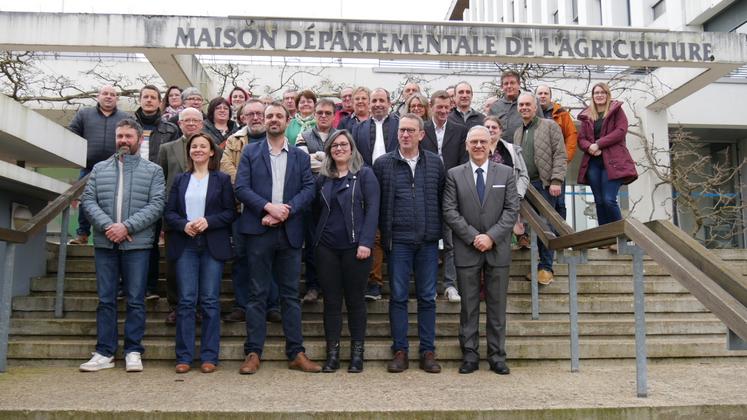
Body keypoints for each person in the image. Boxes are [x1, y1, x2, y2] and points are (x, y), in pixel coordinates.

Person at [234, 101, 320, 374]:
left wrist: (286, 211)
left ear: (287, 120)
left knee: (290, 296)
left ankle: (296, 352)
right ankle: (253, 353)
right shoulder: (250, 152)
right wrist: (268, 207)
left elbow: (309, 189)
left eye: (278, 116)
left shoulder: (300, 156)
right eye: (269, 116)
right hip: (259, 230)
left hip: (290, 232)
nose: (273, 120)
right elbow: (241, 187)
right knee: (257, 294)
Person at [78, 119, 165, 372]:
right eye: (120, 136)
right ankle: (104, 352)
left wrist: (126, 227)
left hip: (137, 245)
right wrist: (110, 227)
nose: (123, 141)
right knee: (106, 299)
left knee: (136, 299)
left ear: (139, 139)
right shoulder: (99, 168)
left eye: (128, 136)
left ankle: (133, 350)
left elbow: (157, 205)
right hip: (106, 244)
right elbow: (88, 201)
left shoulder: (153, 171)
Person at [443, 125, 519, 375]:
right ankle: (470, 354)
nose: (478, 146)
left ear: (490, 145)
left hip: (497, 249)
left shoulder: (507, 173)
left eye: (482, 142)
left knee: (497, 307)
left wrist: (492, 237)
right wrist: (475, 237)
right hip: (467, 248)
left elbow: (511, 210)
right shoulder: (454, 174)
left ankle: (497, 356)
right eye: (473, 141)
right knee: (469, 307)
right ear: (466, 145)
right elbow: (450, 211)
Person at [374, 113, 445, 374]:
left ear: (421, 134)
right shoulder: (383, 164)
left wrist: (438, 235)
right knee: (399, 297)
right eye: (401, 130)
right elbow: (377, 202)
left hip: (427, 241)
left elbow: (440, 199)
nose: (404, 134)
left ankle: (427, 351)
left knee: (427, 297)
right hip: (398, 242)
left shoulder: (435, 164)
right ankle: (400, 350)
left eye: (410, 130)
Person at [165, 133, 236, 374]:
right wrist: (183, 224)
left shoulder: (222, 180)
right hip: (186, 245)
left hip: (211, 245)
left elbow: (229, 213)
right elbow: (170, 212)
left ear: (212, 151)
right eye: (193, 146)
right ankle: (184, 356)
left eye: (202, 146)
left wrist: (209, 221)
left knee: (209, 301)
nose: (198, 150)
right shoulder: (180, 180)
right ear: (189, 152)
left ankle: (209, 356)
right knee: (186, 301)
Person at [313, 130, 380, 373]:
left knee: (355, 302)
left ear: (351, 149)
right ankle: (332, 355)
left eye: (344, 144)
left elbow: (373, 210)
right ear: (329, 150)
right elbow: (315, 213)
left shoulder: (365, 175)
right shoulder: (323, 179)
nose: (339, 148)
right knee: (331, 302)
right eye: (335, 145)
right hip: (327, 249)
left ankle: (357, 355)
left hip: (356, 249)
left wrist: (365, 242)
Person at [159, 108, 223, 324]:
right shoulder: (166, 149)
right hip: (177, 216)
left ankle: (197, 309)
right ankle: (177, 307)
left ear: (202, 123)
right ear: (180, 123)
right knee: (174, 268)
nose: (191, 123)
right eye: (187, 120)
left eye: (196, 120)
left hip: (207, 223)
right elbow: (161, 181)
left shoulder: (211, 150)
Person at [220, 99, 281, 324]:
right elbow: (227, 170)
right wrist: (253, 194)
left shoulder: (276, 140)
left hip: (272, 211)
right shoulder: (233, 141)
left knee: (271, 258)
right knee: (242, 257)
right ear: (242, 118)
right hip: (242, 208)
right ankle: (242, 305)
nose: (255, 118)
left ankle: (272, 304)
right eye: (250, 114)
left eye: (259, 113)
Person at [513, 93, 567, 285]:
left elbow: (560, 154)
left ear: (535, 107)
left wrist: (556, 180)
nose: (524, 107)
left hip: (544, 184)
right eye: (521, 105)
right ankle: (537, 265)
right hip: (525, 185)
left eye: (528, 104)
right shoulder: (518, 131)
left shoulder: (550, 125)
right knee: (530, 227)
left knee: (546, 225)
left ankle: (546, 267)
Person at [133, 85, 180, 299]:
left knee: (151, 238)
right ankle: (127, 285)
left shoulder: (170, 129)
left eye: (153, 97)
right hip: (132, 184)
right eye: (146, 97)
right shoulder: (128, 125)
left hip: (156, 186)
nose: (149, 100)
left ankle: (150, 286)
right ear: (140, 99)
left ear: (160, 101)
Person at [422, 90, 469, 304]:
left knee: (451, 241)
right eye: (439, 107)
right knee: (430, 240)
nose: (443, 111)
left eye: (446, 107)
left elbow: (462, 161)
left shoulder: (460, 130)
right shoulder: (422, 129)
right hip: (427, 189)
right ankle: (429, 286)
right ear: (431, 107)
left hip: (452, 190)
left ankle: (450, 284)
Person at [353, 88, 399, 301]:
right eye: (374, 100)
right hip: (367, 184)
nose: (378, 104)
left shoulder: (400, 124)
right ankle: (374, 282)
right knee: (375, 233)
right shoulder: (359, 128)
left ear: (389, 102)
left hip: (397, 183)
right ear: (369, 104)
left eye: (382, 100)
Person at [577, 82, 638, 245]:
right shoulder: (587, 115)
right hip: (593, 163)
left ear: (607, 94)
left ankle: (620, 236)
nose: (599, 95)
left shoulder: (616, 111)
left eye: (602, 92)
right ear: (593, 96)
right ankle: (606, 240)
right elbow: (581, 139)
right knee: (599, 201)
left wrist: (599, 144)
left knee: (609, 199)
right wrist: (590, 147)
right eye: (596, 93)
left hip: (613, 162)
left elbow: (620, 131)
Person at [68, 85, 130, 245]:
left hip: (117, 167)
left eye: (113, 94)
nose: (108, 97)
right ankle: (82, 234)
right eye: (105, 93)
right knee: (85, 200)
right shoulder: (84, 114)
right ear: (98, 96)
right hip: (89, 167)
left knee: (115, 201)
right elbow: (71, 132)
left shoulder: (125, 118)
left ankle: (115, 235)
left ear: (117, 99)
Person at [297, 98, 339, 303]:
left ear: (333, 116)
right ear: (314, 114)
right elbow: (304, 163)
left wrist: (320, 158)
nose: (323, 116)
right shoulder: (303, 135)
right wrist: (328, 159)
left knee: (332, 243)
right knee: (312, 242)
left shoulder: (340, 136)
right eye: (319, 112)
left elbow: (344, 163)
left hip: (337, 197)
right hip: (311, 197)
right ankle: (313, 285)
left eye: (327, 113)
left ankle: (331, 285)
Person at [536, 85, 578, 221]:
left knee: (559, 202)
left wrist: (565, 159)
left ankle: (560, 236)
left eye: (545, 93)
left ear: (550, 96)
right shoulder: (531, 113)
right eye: (540, 93)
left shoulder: (561, 113)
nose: (542, 96)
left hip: (557, 165)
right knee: (540, 203)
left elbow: (571, 136)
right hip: (538, 166)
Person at [484, 116, 529, 199]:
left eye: (494, 127)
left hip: (508, 197)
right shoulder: (476, 150)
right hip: (484, 198)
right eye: (487, 127)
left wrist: (517, 194)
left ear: (500, 130)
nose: (490, 130)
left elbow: (523, 175)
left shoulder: (512, 150)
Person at [489, 70, 524, 143]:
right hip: (502, 150)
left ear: (519, 84)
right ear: (502, 87)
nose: (509, 86)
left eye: (512, 83)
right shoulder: (495, 107)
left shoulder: (529, 103)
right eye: (506, 83)